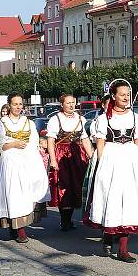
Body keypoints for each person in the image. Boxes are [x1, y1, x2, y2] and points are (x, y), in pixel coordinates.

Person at [83, 80, 138, 263]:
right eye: (122, 94)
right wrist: (103, 166)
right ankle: (107, 236)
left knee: (128, 203)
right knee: (111, 201)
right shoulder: (104, 119)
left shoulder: (136, 117)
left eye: (128, 94)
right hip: (111, 160)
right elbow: (101, 145)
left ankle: (123, 249)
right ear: (113, 96)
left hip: (130, 160)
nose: (126, 97)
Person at [0, 93, 50, 243]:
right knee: (13, 195)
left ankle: (19, 227)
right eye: (15, 104)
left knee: (24, 195)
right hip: (10, 163)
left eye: (20, 104)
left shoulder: (28, 123)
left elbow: (34, 142)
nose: (18, 107)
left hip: (26, 162)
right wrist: (13, 144)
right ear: (9, 105)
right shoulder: (2, 123)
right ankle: (17, 230)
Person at [46, 94, 93, 231]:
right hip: (62, 156)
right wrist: (53, 160)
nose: (71, 105)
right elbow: (50, 141)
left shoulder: (81, 119)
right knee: (64, 186)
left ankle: (70, 218)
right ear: (62, 105)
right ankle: (64, 220)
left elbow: (85, 139)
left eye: (73, 102)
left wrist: (91, 157)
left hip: (78, 155)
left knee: (77, 186)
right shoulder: (55, 120)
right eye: (68, 103)